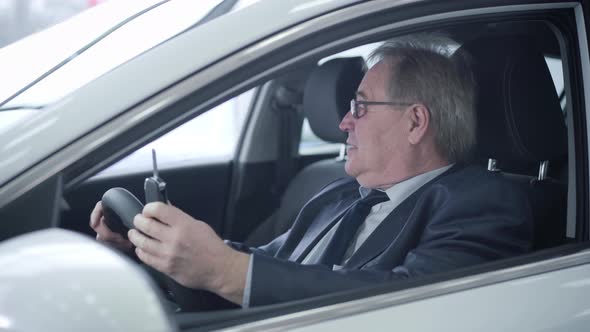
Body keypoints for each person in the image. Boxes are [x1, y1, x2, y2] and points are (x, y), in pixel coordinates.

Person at [90, 35, 533, 308]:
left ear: (416, 122)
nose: (343, 122)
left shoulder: (485, 204)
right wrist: (150, 249)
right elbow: (266, 265)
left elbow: (411, 302)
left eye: (359, 105)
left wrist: (228, 271)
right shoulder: (338, 195)